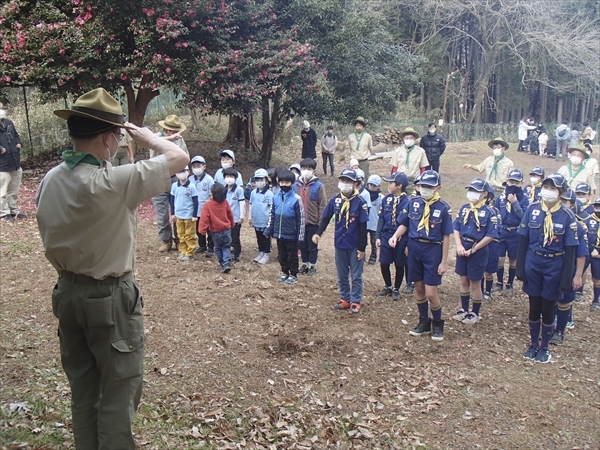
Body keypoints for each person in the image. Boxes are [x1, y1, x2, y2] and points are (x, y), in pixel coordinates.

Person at [35, 88, 189, 449]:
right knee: (118, 395)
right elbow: (179, 157)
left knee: (84, 391)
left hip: (68, 294)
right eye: (117, 136)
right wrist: (150, 137)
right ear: (107, 138)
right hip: (110, 298)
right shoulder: (113, 182)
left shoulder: (51, 179)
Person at [516, 173, 583, 364]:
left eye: (553, 188)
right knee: (534, 305)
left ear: (561, 193)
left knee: (548, 306)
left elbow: (570, 249)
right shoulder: (533, 209)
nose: (548, 191)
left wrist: (567, 278)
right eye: (546, 187)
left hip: (555, 265)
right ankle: (532, 344)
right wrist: (520, 268)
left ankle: (544, 346)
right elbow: (524, 240)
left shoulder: (568, 216)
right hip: (534, 262)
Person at [389, 170, 453, 341]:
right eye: (422, 186)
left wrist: (444, 261)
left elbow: (446, 236)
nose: (424, 189)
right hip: (414, 248)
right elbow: (405, 223)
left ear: (437, 188)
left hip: (432, 250)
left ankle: (438, 323)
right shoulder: (413, 202)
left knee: (431, 292)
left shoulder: (443, 208)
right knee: (419, 289)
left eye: (429, 187)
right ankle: (424, 321)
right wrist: (395, 236)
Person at [313, 168, 369, 314]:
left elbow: (363, 227)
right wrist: (319, 233)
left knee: (356, 275)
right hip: (340, 243)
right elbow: (326, 218)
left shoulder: (360, 203)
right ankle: (345, 298)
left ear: (355, 184)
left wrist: (362, 248)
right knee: (342, 273)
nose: (345, 184)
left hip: (355, 244)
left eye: (348, 181)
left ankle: (355, 300)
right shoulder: (335, 200)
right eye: (343, 180)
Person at [452, 178, 498, 324]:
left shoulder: (490, 212)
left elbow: (491, 234)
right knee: (463, 279)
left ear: (484, 194)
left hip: (478, 250)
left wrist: (474, 249)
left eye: (475, 191)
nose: (471, 193)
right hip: (463, 248)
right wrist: (459, 245)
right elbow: (457, 227)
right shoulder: (465, 208)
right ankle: (464, 309)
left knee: (475, 282)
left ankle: (475, 312)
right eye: (470, 190)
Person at [550, 191, 589, 345]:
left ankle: (560, 331)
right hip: (550, 267)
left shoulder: (577, 227)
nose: (562, 203)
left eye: (566, 202)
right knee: (549, 299)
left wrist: (578, 274)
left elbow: (582, 254)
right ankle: (548, 327)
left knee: (564, 301)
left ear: (572, 205)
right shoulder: (548, 220)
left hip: (567, 269)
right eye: (561, 200)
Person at [150, 114, 189, 252]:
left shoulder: (180, 140)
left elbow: (185, 156)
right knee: (161, 213)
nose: (176, 134)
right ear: (166, 130)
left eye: (177, 131)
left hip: (175, 178)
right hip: (159, 177)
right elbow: (152, 142)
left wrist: (185, 174)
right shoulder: (156, 137)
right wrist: (170, 139)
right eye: (172, 131)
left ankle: (179, 239)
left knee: (178, 209)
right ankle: (166, 240)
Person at [264, 169, 305, 285]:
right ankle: (284, 272)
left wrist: (300, 237)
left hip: (291, 234)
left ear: (292, 183)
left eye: (287, 183)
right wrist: (269, 229)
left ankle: (293, 274)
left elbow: (301, 219)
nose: (284, 185)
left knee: (292, 256)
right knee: (282, 255)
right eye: (281, 182)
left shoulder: (297, 199)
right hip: (279, 233)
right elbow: (272, 214)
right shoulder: (275, 197)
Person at [492, 169, 529, 294]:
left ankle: (510, 283)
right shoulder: (501, 198)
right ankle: (499, 282)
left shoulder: (524, 199)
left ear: (521, 183)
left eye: (516, 182)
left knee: (513, 259)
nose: (513, 185)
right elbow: (496, 212)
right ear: (507, 181)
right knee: (500, 259)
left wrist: (515, 203)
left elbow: (524, 217)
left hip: (515, 233)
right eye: (511, 181)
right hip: (502, 231)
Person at [375, 172, 410, 301]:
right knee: (384, 262)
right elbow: (381, 219)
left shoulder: (408, 202)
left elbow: (409, 224)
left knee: (399, 263)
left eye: (391, 183)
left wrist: (408, 244)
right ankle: (388, 286)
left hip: (402, 237)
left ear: (399, 185)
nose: (388, 185)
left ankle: (396, 288)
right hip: (386, 235)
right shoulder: (386, 199)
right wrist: (378, 236)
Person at [294, 158, 327, 275]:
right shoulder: (295, 185)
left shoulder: (318, 186)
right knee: (302, 245)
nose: (306, 171)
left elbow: (322, 205)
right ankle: (305, 264)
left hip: (313, 222)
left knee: (312, 245)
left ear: (314, 171)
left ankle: (312, 265)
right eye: (303, 168)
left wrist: (320, 223)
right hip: (299, 222)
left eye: (309, 169)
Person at [198, 183, 235, 273]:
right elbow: (230, 214)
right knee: (226, 246)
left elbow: (204, 218)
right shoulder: (225, 202)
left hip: (215, 231)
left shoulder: (208, 205)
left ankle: (222, 263)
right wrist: (232, 224)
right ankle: (227, 263)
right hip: (226, 229)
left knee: (218, 248)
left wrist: (202, 230)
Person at [0, 108, 24, 222]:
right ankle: (4, 213)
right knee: (2, 190)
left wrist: (18, 143)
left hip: (14, 161)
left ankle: (13, 210)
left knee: (13, 189)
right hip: (2, 165)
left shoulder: (8, 122)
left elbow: (16, 135)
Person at [170, 166, 199, 262]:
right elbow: (172, 199)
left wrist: (195, 215)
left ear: (188, 172)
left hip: (189, 216)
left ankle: (190, 253)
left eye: (184, 171)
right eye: (179, 171)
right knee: (180, 234)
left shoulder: (192, 186)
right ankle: (183, 251)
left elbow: (195, 201)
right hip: (178, 215)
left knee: (189, 235)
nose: (181, 173)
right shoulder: (174, 186)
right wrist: (173, 213)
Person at [390, 127, 429, 195]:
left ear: (414, 139)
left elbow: (423, 168)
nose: (409, 140)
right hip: (400, 181)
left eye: (411, 138)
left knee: (412, 199)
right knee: (399, 199)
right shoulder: (398, 151)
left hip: (413, 181)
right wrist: (393, 181)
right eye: (407, 138)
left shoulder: (420, 152)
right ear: (404, 139)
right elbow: (395, 167)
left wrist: (421, 182)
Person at [190, 155, 215, 255]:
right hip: (195, 210)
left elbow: (212, 194)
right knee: (199, 229)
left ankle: (211, 247)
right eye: (194, 166)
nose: (196, 168)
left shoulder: (209, 179)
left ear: (204, 166)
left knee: (209, 229)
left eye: (198, 166)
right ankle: (202, 246)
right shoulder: (190, 179)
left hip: (206, 210)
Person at [249, 168, 274, 265]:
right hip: (257, 220)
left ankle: (266, 254)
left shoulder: (269, 194)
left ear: (266, 181)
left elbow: (271, 209)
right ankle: (261, 252)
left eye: (262, 180)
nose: (259, 182)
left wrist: (270, 222)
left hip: (265, 221)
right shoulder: (253, 193)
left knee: (266, 238)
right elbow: (251, 205)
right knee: (259, 237)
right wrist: (250, 217)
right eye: (257, 180)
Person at [482, 183, 501, 301]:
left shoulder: (495, 212)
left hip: (492, 243)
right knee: (480, 270)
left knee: (489, 271)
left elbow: (496, 229)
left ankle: (488, 291)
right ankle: (479, 290)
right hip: (478, 243)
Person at [223, 167, 246, 262]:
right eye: (227, 176)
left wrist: (241, 216)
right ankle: (228, 251)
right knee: (226, 237)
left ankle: (236, 255)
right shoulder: (223, 190)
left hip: (235, 218)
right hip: (225, 218)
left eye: (231, 176)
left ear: (235, 178)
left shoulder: (239, 190)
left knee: (235, 237)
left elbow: (242, 204)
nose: (229, 178)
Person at [585, 196, 600, 311]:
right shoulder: (589, 220)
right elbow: (584, 236)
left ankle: (596, 300)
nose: (598, 209)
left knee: (597, 277)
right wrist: (591, 249)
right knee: (578, 272)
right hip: (588, 249)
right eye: (596, 206)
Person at [366, 175, 383, 265]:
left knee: (373, 242)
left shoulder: (381, 198)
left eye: (374, 185)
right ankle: (362, 254)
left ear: (378, 186)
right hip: (364, 223)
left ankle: (373, 256)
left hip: (374, 223)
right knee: (362, 240)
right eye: (371, 185)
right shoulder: (364, 194)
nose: (372, 187)